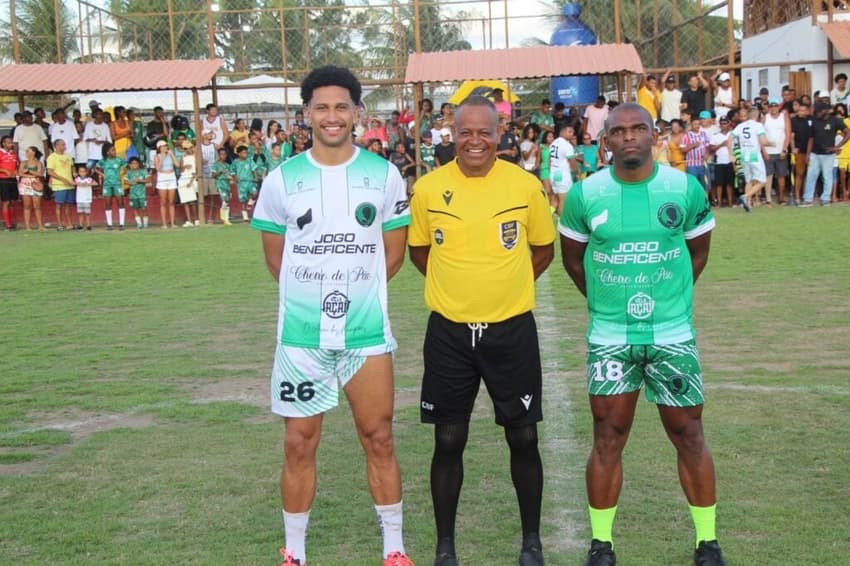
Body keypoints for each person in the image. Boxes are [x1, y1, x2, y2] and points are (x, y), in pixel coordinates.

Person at [250, 65, 413, 566]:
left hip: (365, 334)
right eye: (321, 107)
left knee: (379, 437)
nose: (332, 116)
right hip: (301, 337)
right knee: (298, 442)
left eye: (342, 106)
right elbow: (278, 259)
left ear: (357, 113)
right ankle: (294, 553)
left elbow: (393, 255)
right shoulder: (282, 180)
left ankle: (394, 549)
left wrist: (353, 295)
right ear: (306, 115)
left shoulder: (384, 175)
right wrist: (316, 299)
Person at [558, 103, 726, 566]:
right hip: (610, 336)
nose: (629, 137)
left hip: (672, 335)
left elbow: (698, 253)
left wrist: (668, 298)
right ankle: (601, 545)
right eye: (618, 131)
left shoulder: (684, 188)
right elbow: (573, 260)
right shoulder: (584, 195)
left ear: (654, 135)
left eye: (638, 129)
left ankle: (707, 543)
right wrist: (604, 301)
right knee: (608, 436)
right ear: (605, 140)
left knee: (689, 432)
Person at [408, 95, 555, 566]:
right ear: (452, 133)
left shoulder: (524, 185)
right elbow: (419, 254)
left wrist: (503, 288)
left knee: (524, 437)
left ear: (500, 134)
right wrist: (460, 289)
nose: (475, 141)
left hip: (511, 331)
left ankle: (531, 542)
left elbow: (542, 249)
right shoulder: (429, 189)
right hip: (449, 334)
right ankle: (445, 546)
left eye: (484, 132)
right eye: (465, 132)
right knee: (448, 440)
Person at [801, 99, 848, 206]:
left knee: (827, 177)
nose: (816, 113)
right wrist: (808, 154)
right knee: (811, 176)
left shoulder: (835, 120)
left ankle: (825, 199)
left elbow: (847, 132)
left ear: (826, 111)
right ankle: (808, 199)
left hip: (828, 155)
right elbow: (811, 138)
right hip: (814, 153)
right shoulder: (815, 121)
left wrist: (837, 146)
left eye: (819, 111)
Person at [729, 107, 770, 212]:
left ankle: (747, 204)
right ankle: (746, 196)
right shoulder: (758, 125)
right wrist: (772, 143)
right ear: (757, 115)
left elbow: (730, 137)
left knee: (749, 180)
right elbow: (764, 142)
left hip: (743, 155)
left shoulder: (740, 126)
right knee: (762, 180)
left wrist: (731, 152)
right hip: (754, 154)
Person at [46, 139, 76, 230]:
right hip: (59, 185)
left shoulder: (68, 156)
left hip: (69, 184)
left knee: (69, 205)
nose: (64, 146)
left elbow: (72, 166)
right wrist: (63, 179)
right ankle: (59, 224)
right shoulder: (52, 157)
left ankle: (69, 224)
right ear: (57, 146)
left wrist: (74, 173)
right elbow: (50, 172)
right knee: (59, 205)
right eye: (62, 145)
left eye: (64, 144)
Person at [95, 142, 127, 231]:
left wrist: (122, 174)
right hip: (107, 185)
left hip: (117, 184)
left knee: (120, 202)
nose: (115, 151)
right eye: (112, 150)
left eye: (115, 150)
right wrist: (102, 174)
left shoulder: (119, 160)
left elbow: (126, 167)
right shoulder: (103, 161)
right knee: (108, 204)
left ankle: (122, 224)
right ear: (107, 152)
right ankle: (109, 224)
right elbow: (96, 168)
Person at [550, 123, 579, 214]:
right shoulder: (567, 145)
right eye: (569, 131)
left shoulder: (554, 143)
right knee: (563, 200)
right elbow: (572, 161)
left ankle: (549, 216)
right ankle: (560, 222)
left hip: (553, 172)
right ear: (562, 132)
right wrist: (577, 172)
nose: (572, 134)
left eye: (572, 132)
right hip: (562, 174)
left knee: (555, 199)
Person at [17, 146, 46, 231]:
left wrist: (28, 171)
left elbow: (40, 173)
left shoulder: (38, 163)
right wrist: (32, 174)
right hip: (25, 184)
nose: (26, 153)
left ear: (33, 153)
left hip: (36, 184)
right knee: (27, 206)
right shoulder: (23, 162)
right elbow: (20, 173)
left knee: (37, 205)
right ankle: (27, 226)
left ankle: (40, 226)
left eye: (27, 151)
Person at [154, 139, 179, 229]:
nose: (165, 147)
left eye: (166, 146)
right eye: (163, 146)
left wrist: (171, 154)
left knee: (171, 202)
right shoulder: (157, 156)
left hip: (171, 176)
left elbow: (177, 165)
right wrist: (163, 157)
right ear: (159, 148)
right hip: (162, 176)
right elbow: (157, 168)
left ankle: (172, 223)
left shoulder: (170, 154)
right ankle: (164, 223)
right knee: (163, 202)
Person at [230, 145, 258, 221]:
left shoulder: (249, 160)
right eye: (243, 153)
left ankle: (250, 204)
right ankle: (245, 217)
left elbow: (254, 169)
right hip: (241, 183)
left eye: (246, 153)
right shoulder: (235, 162)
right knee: (243, 201)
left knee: (255, 193)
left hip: (250, 181)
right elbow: (232, 172)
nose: (245, 154)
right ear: (239, 154)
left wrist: (255, 177)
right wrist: (235, 178)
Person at [124, 157, 151, 229]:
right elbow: (125, 181)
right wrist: (132, 182)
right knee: (135, 209)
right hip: (133, 194)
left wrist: (140, 181)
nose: (134, 165)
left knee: (144, 208)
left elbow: (148, 180)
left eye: (135, 163)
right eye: (132, 163)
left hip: (142, 194)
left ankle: (145, 224)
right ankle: (139, 224)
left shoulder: (143, 171)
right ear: (129, 165)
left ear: (139, 164)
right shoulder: (129, 172)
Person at [177, 140, 199, 227]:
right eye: (186, 148)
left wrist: (191, 181)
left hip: (192, 179)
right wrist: (184, 167)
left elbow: (197, 170)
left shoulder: (195, 156)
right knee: (185, 201)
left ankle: (196, 219)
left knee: (193, 201)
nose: (189, 150)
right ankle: (189, 220)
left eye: (190, 148)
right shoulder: (183, 157)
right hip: (184, 178)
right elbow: (181, 169)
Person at [0, 135, 19, 230]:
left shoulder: (13, 154)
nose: (11, 144)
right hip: (3, 180)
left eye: (11, 142)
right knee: (6, 202)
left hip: (13, 179)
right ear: (3, 143)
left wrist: (16, 171)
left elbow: (16, 166)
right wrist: (4, 171)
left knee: (12, 201)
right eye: (8, 142)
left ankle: (11, 222)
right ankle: (7, 224)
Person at [211, 147, 233, 225]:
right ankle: (224, 218)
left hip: (227, 184)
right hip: (220, 183)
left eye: (224, 154)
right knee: (225, 199)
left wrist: (230, 178)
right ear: (219, 155)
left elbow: (230, 175)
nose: (223, 156)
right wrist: (220, 172)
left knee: (227, 200)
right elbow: (213, 175)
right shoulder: (215, 165)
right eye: (221, 154)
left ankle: (225, 218)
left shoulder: (228, 165)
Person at [74, 165, 96, 231]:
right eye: (80, 172)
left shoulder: (89, 179)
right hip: (79, 199)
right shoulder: (77, 179)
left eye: (83, 172)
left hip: (87, 199)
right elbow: (73, 183)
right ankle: (80, 225)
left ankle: (88, 225)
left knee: (87, 213)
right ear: (78, 172)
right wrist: (78, 184)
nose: (82, 173)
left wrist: (88, 184)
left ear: (86, 172)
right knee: (80, 213)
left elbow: (95, 183)